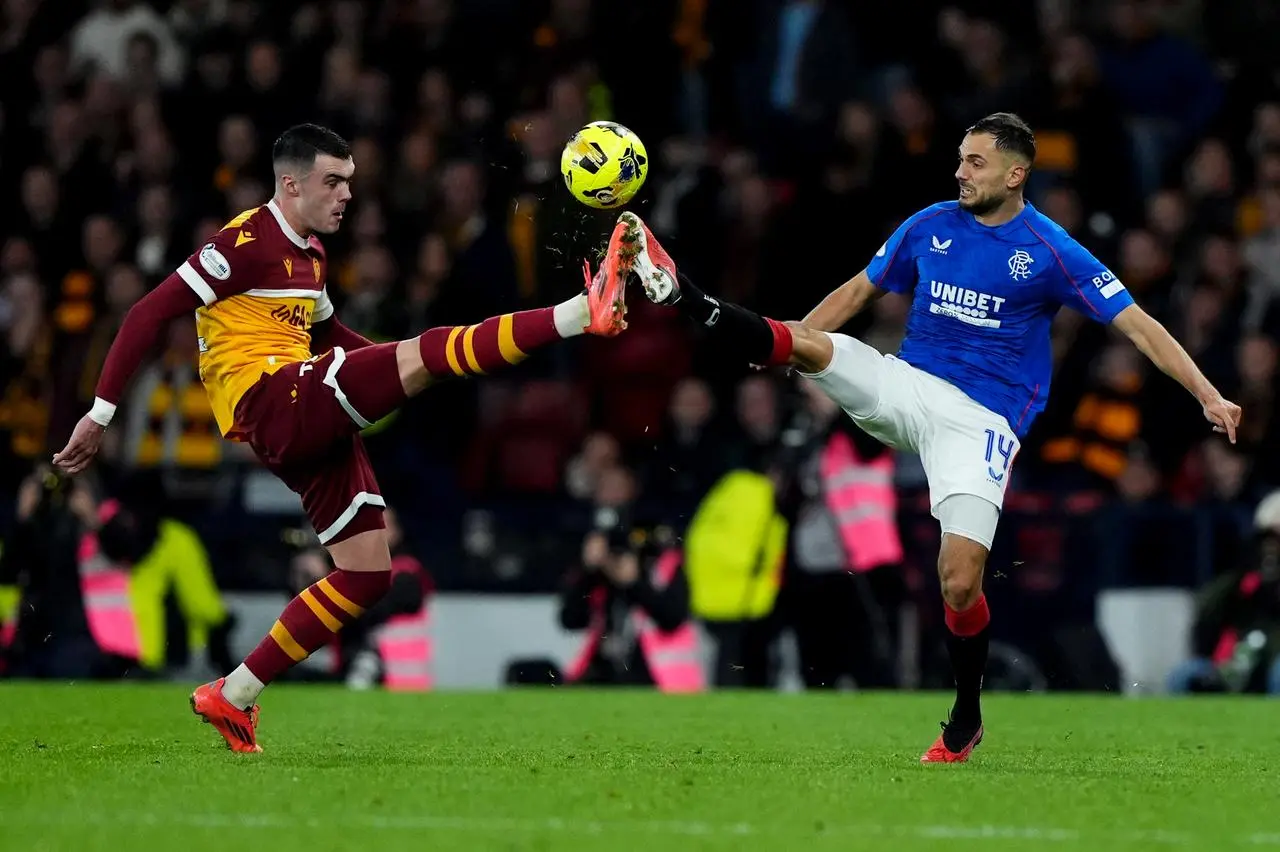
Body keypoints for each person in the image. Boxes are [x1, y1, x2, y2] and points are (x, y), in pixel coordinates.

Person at [603, 112, 1242, 763]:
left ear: (1016, 174)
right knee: (809, 341)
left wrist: (1207, 393)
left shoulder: (1050, 250)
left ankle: (966, 716)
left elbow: (1138, 325)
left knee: (959, 582)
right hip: (906, 388)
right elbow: (857, 291)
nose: (960, 172)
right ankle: (683, 293)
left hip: (981, 423)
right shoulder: (928, 225)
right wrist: (789, 349)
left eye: (976, 162)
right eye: (961, 159)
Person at [51, 123, 632, 753]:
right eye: (333, 182)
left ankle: (234, 694)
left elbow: (338, 346)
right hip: (273, 399)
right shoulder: (245, 242)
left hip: (302, 409)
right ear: (290, 184)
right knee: (429, 351)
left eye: (350, 183)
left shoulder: (312, 256)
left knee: (366, 574)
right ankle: (581, 311)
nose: (346, 195)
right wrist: (100, 414)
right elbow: (146, 312)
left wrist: (405, 372)